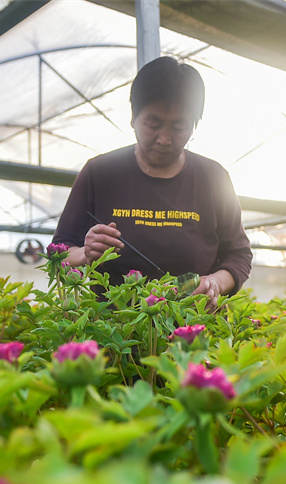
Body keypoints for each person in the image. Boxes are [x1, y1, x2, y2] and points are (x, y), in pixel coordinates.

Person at [52, 56, 252, 310]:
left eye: (178, 127)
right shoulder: (100, 172)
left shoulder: (213, 177)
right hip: (114, 333)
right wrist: (85, 252)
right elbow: (58, 251)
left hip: (193, 327)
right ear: (133, 117)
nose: (164, 139)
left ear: (194, 126)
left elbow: (239, 254)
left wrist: (214, 283)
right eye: (153, 124)